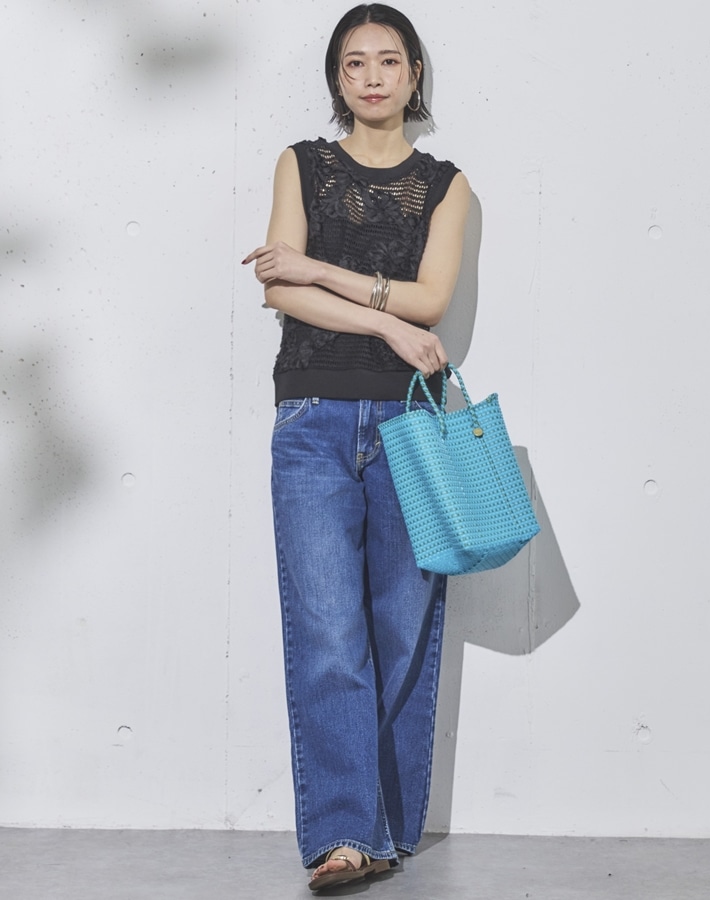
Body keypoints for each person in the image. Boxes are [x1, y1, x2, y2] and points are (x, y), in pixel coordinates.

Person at [242, 3, 470, 891]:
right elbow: (279, 293)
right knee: (328, 632)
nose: (373, 76)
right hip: (312, 421)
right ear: (337, 79)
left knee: (403, 631)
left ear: (414, 74)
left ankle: (389, 832)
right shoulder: (301, 164)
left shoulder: (448, 185)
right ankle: (343, 834)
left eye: (389, 60)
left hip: (412, 428)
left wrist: (318, 269)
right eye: (354, 63)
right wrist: (384, 318)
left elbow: (430, 300)